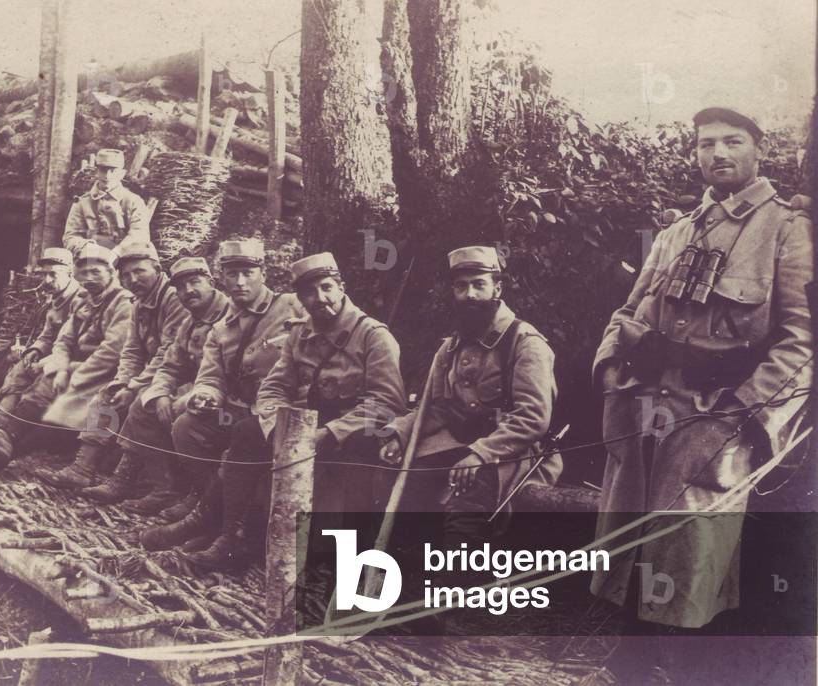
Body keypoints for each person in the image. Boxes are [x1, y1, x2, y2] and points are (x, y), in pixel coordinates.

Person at [590, 105, 813, 682]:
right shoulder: (675, 233)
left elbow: (800, 342)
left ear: (758, 149)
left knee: (698, 560)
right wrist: (615, 376)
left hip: (718, 420)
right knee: (633, 545)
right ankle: (631, 663)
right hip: (644, 416)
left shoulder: (788, 230)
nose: (718, 153)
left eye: (732, 142)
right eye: (706, 144)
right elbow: (625, 313)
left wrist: (744, 416)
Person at [175, 252, 406, 571]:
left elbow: (387, 403)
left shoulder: (373, 336)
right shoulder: (299, 332)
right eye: (309, 293)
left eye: (326, 287)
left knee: (362, 447)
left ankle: (352, 556)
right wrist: (276, 426)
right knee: (246, 432)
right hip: (303, 426)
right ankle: (232, 537)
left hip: (350, 433)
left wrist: (330, 433)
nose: (319, 298)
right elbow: (275, 386)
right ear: (300, 298)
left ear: (341, 286)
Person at [380, 246, 560, 546]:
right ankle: (410, 583)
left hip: (510, 452)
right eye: (461, 286)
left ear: (497, 288)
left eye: (479, 284)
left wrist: (481, 453)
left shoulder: (525, 343)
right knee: (404, 495)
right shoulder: (450, 348)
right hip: (455, 443)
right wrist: (398, 434)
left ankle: (460, 586)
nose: (470, 294)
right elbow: (433, 410)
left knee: (465, 517)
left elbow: (533, 418)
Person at [140, 238, 306, 553]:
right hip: (241, 410)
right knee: (187, 426)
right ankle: (218, 519)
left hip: (288, 410)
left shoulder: (293, 306)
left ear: (263, 272)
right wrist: (205, 394)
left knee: (243, 440)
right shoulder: (221, 328)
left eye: (248, 272)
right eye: (232, 274)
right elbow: (210, 376)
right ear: (222, 278)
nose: (240, 281)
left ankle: (217, 524)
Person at [0, 244, 133, 471]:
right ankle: (3, 441)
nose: (89, 278)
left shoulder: (123, 303)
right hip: (79, 369)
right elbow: (63, 340)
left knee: (52, 391)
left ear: (112, 273)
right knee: (48, 384)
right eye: (85, 273)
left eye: (96, 272)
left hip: (111, 374)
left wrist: (71, 372)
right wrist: (60, 366)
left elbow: (111, 352)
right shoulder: (85, 301)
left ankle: (6, 441)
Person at [79, 256, 231, 510]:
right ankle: (87, 467)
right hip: (184, 385)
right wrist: (133, 384)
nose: (188, 291)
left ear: (212, 282)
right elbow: (164, 360)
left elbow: (225, 373)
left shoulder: (229, 315)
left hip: (219, 396)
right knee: (117, 396)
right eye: (181, 286)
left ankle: (167, 488)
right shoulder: (187, 319)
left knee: (143, 404)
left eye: (195, 282)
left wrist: (142, 387)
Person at [38, 240, 185, 490]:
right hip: (154, 373)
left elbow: (168, 352)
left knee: (138, 401)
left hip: (180, 376)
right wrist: (122, 381)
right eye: (126, 275)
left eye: (140, 271)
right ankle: (83, 469)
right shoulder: (139, 302)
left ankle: (135, 482)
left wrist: (134, 384)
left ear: (158, 270)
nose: (133, 279)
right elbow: (132, 350)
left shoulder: (173, 299)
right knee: (108, 394)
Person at [0, 247, 83, 426]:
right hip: (55, 355)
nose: (46, 280)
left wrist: (44, 362)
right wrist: (35, 350)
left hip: (74, 361)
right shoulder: (56, 298)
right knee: (20, 368)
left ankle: (11, 429)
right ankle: (1, 416)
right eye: (44, 275)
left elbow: (76, 345)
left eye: (53, 275)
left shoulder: (80, 300)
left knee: (40, 379)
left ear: (70, 272)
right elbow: (47, 336)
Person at [62, 148, 150, 254]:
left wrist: (117, 252)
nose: (107, 176)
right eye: (103, 170)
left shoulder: (133, 201)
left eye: (113, 170)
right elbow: (70, 236)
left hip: (125, 259)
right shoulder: (82, 202)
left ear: (122, 173)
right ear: (96, 171)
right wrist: (88, 248)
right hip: (90, 259)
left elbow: (140, 233)